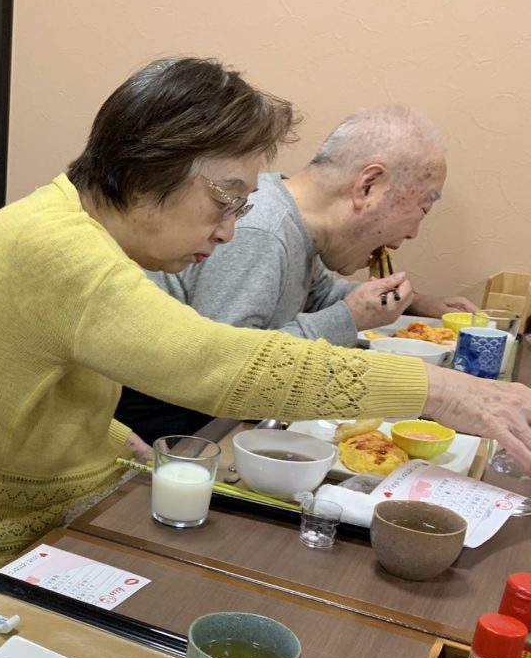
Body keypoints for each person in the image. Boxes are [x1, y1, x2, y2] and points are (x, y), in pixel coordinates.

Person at [0, 56, 531, 589]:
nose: (230, 231)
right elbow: (221, 363)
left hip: (71, 493)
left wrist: (114, 437)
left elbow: (27, 390)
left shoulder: (60, 219)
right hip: (8, 543)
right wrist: (439, 390)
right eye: (225, 201)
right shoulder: (62, 252)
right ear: (150, 169)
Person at [117, 106, 482, 442]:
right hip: (169, 428)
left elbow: (317, 294)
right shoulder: (262, 230)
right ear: (368, 186)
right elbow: (230, 370)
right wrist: (349, 319)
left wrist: (412, 303)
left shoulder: (298, 228)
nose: (413, 234)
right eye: (423, 208)